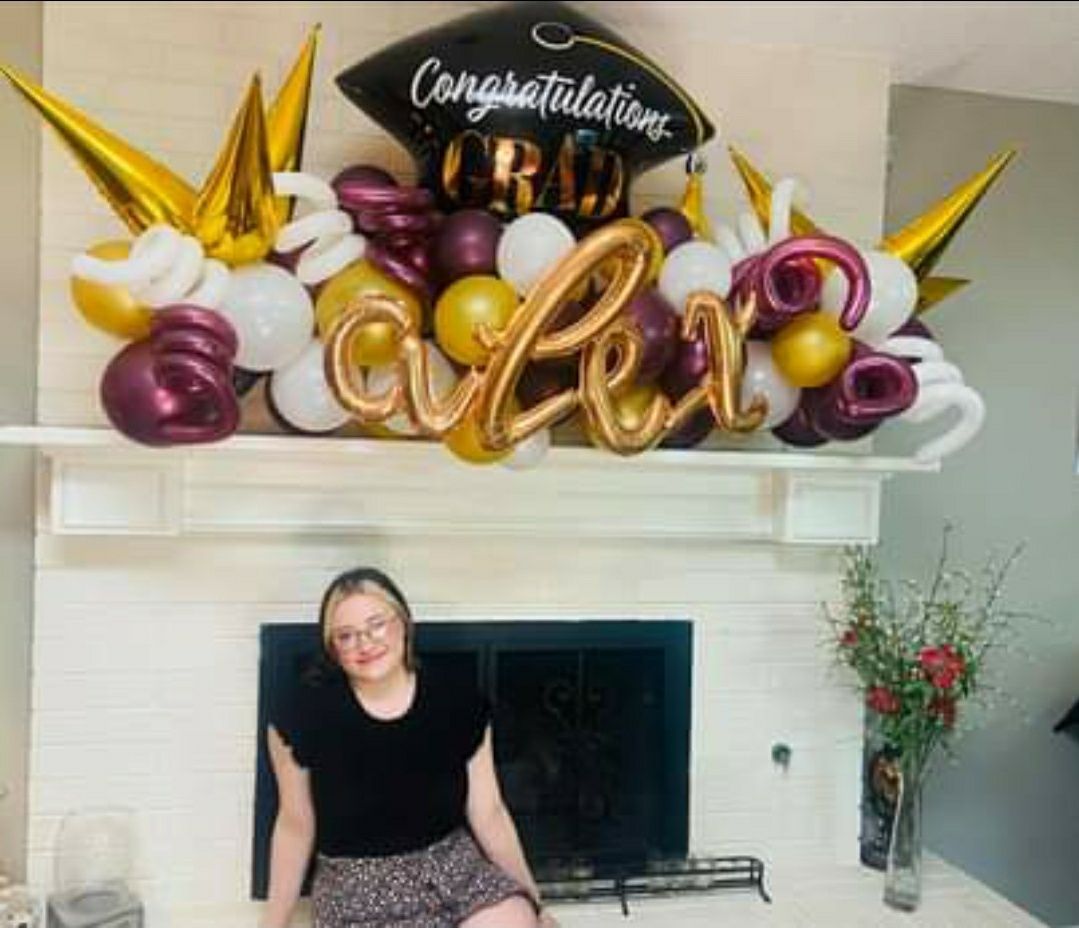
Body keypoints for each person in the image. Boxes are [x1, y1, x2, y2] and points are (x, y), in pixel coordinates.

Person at [262, 567, 556, 928]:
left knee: (514, 921)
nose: (365, 644)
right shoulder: (302, 713)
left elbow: (489, 812)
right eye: (346, 636)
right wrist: (273, 923)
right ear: (333, 649)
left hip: (452, 869)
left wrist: (538, 908)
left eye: (376, 625)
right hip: (358, 889)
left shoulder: (458, 701)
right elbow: (295, 824)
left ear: (403, 622)